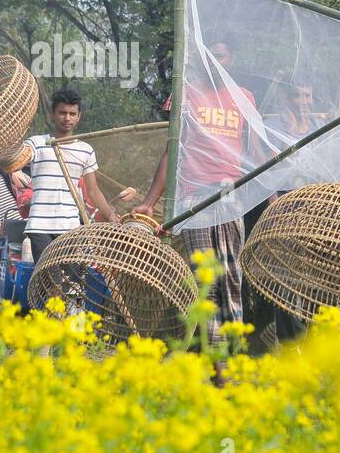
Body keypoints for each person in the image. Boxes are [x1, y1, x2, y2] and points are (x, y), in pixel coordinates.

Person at [134, 40, 256, 342]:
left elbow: (255, 150)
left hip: (229, 194)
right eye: (210, 57)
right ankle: (219, 363)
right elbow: (171, 151)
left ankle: (232, 351)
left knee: (230, 275)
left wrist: (265, 193)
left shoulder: (244, 97)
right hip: (193, 197)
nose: (216, 62)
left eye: (222, 57)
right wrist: (150, 202)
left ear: (232, 60)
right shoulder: (186, 95)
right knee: (204, 278)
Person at [23, 89, 117, 259]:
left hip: (70, 227)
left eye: (72, 114)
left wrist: (110, 215)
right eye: (62, 113)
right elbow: (17, 159)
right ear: (53, 115)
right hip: (39, 225)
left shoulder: (85, 150)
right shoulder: (36, 143)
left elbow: (93, 191)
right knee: (50, 279)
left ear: (78, 116)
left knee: (72, 280)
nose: (67, 118)